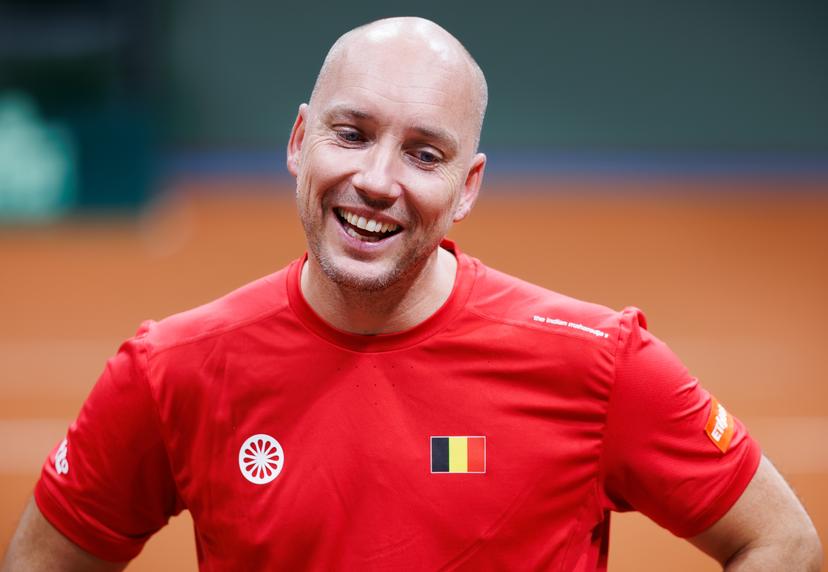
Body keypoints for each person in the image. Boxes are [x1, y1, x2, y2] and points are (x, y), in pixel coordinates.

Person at [2, 16, 822, 572]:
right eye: (351, 133)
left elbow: (781, 541)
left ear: (468, 188)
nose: (376, 179)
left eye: (424, 154)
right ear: (299, 140)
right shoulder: (171, 370)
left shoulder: (599, 364)